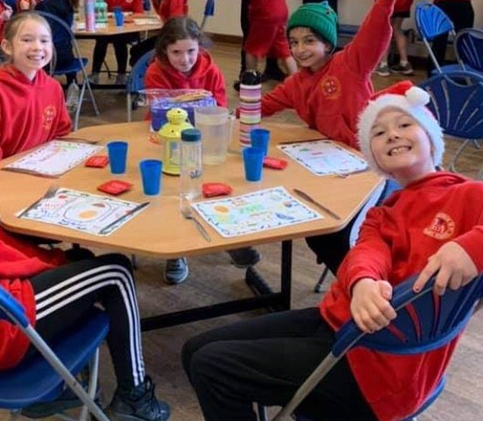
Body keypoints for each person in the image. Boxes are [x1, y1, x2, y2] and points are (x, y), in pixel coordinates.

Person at [182, 80, 483, 421]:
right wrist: (363, 282)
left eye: (404, 124)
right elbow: (367, 253)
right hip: (343, 325)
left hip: (381, 370)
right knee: (194, 349)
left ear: (431, 136)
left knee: (212, 366)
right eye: (379, 132)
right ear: (373, 156)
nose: (392, 135)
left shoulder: (469, 195)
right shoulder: (383, 213)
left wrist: (471, 247)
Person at [0, 97, 171, 421]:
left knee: (80, 260)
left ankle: (62, 388)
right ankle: (135, 400)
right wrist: (54, 261)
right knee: (115, 271)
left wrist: (59, 260)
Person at [260, 0, 413, 273]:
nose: (300, 50)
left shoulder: (350, 64)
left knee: (340, 233)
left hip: (373, 170)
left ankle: (365, 281)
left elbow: (375, 25)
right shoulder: (296, 83)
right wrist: (218, 115)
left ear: (328, 43)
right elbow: (262, 106)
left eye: (309, 41)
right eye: (294, 42)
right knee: (317, 229)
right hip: (331, 169)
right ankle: (353, 280)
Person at [0, 12, 73, 219]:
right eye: (27, 40)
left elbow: (61, 133)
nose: (37, 47)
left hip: (39, 178)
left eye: (44, 40)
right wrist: (16, 180)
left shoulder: (53, 88)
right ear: (7, 47)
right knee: (50, 220)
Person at [144, 16, 227, 285]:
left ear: (199, 46)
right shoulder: (156, 72)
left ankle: (232, 239)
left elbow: (220, 107)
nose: (185, 59)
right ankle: (175, 252)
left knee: (216, 184)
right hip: (167, 141)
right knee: (172, 194)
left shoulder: (211, 71)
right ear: (164, 51)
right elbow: (156, 113)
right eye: (176, 52)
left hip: (204, 141)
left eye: (191, 51)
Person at [129, 0, 193, 66]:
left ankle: (148, 74)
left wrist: (166, 43)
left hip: (175, 35)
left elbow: (175, 21)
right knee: (135, 51)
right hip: (170, 31)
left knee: (137, 53)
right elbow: (161, 13)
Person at [92, 0, 144, 85]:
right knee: (101, 40)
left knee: (119, 40)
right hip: (109, 28)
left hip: (128, 28)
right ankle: (95, 74)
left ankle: (121, 74)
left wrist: (124, 18)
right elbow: (100, 12)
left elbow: (139, 13)